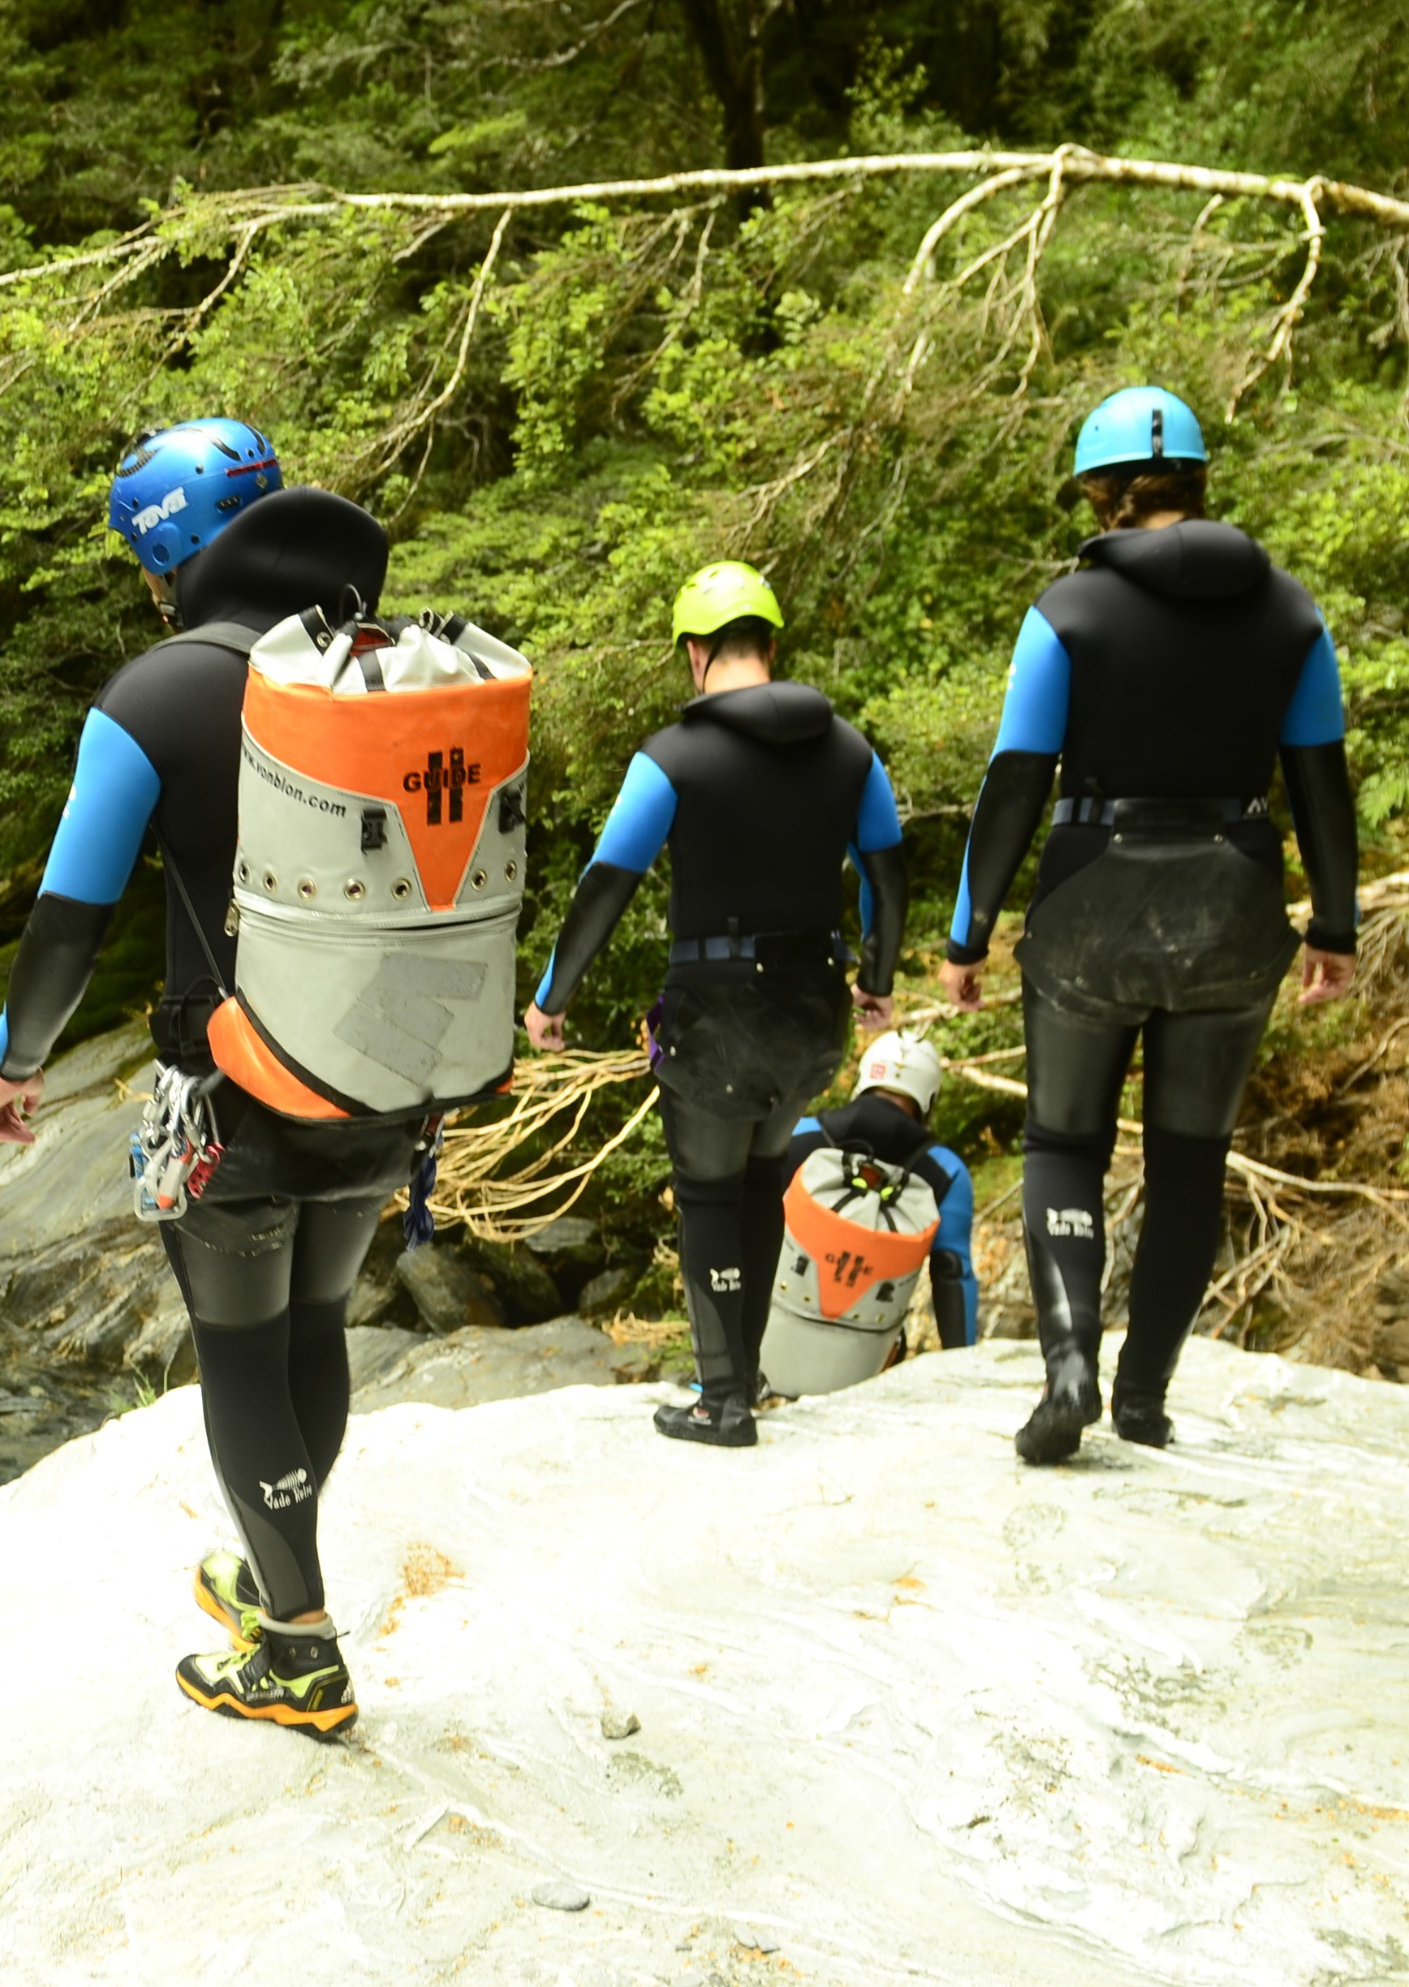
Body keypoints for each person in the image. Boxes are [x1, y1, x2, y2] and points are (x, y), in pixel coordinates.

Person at [0, 419, 430, 1740]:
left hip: (236, 1097)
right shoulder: (383, 667)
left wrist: (16, 1061)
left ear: (170, 553)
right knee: (314, 1331)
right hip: (384, 1079)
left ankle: (299, 1651)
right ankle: (276, 1576)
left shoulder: (156, 695)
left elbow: (71, 919)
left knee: (240, 1352)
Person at [938, 386, 1357, 1463]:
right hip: (1235, 898)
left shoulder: (1068, 612)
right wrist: (1335, 926)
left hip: (1094, 894)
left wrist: (968, 932)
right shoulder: (1292, 611)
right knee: (1190, 1158)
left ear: (1103, 493)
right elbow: (1322, 780)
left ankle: (1069, 1367)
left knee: (1063, 1141)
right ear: (1199, 483)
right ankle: (1144, 1399)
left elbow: (1016, 780)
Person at [522, 562, 905, 1447]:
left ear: (695, 653)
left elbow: (606, 882)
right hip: (811, 1008)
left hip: (716, 1013)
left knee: (706, 1194)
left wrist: (551, 999)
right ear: (769, 645)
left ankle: (720, 1399)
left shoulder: (673, 757)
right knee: (762, 1183)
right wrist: (877, 979)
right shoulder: (851, 751)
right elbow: (887, 873)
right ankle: (744, 1374)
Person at [778, 1030, 978, 1354]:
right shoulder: (946, 1171)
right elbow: (952, 1272)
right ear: (929, 1099)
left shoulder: (797, 1134)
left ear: (863, 1079)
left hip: (770, 1333)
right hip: (869, 1355)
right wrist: (964, 1360)